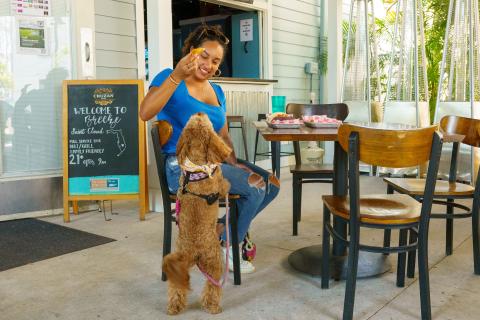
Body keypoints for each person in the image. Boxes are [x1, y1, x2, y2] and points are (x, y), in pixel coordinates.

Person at [140, 24, 280, 274]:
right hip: (182, 168)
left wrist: (234, 163)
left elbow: (224, 135)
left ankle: (217, 234)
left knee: (270, 184)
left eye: (216, 61)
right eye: (204, 55)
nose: (209, 64)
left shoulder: (216, 90)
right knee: (254, 186)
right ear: (190, 51)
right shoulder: (168, 77)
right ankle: (227, 247)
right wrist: (176, 76)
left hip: (215, 164)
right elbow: (145, 113)